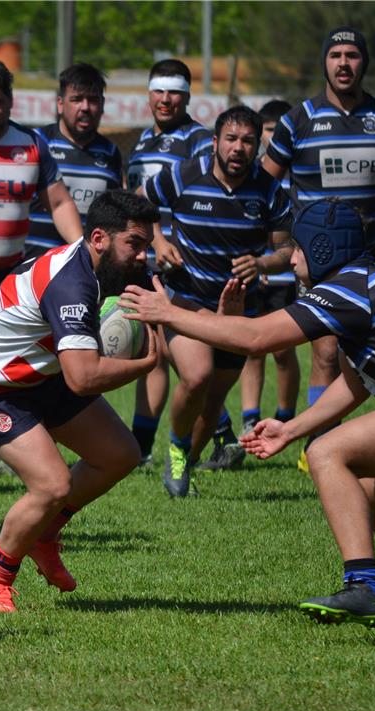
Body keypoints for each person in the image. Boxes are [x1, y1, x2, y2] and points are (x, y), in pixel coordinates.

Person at [121, 200, 375, 627]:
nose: (291, 256)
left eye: (298, 247)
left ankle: (363, 586)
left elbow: (256, 338)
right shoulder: (370, 284)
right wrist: (291, 429)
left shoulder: (347, 289)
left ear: (324, 250)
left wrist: (167, 313)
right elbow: (356, 383)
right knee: (369, 502)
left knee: (326, 452)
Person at [0, 191, 161, 612]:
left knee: (120, 454)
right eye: (135, 245)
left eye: (147, 246)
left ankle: (44, 534)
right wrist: (146, 364)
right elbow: (83, 377)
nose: (143, 256)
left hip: (41, 371)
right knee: (52, 484)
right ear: (99, 238)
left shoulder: (111, 267)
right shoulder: (72, 282)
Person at [261, 27, 375, 473]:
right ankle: (319, 444)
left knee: (364, 353)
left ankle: (374, 433)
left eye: (352, 55)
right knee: (323, 350)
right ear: (324, 62)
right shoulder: (297, 120)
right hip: (317, 260)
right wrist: (283, 235)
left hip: (369, 259)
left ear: (364, 63)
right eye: (335, 55)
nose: (343, 63)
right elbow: (263, 184)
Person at [141, 105, 291, 497]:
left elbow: (286, 250)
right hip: (185, 299)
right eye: (231, 139)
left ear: (257, 147)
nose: (238, 148)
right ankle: (175, 452)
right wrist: (159, 240)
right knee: (197, 376)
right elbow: (141, 204)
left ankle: (185, 458)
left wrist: (261, 262)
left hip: (238, 310)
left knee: (212, 403)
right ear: (215, 142)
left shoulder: (270, 191)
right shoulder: (186, 173)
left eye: (247, 141)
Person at [124, 58, 214, 468]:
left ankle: (210, 434)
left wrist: (163, 239)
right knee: (153, 353)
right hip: (148, 261)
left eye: (174, 91)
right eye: (158, 90)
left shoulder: (199, 140)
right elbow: (137, 199)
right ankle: (142, 445)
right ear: (148, 93)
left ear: (187, 96)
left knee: (189, 361)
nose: (165, 99)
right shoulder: (142, 142)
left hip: (186, 264)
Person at [0, 59, 82, 284]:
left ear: (11, 99)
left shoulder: (32, 143)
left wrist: (82, 253)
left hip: (12, 273)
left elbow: (59, 203)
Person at [236, 99, 301, 441]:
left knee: (282, 349)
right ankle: (249, 418)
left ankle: (286, 414)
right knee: (252, 347)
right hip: (253, 272)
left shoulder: (300, 172)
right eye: (270, 131)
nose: (275, 139)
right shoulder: (252, 173)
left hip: (284, 274)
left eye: (280, 131)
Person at [23, 62, 123, 261]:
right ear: (60, 104)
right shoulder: (35, 142)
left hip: (83, 267)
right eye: (76, 99)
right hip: (34, 266)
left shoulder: (111, 153)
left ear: (102, 104)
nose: (85, 107)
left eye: (93, 100)